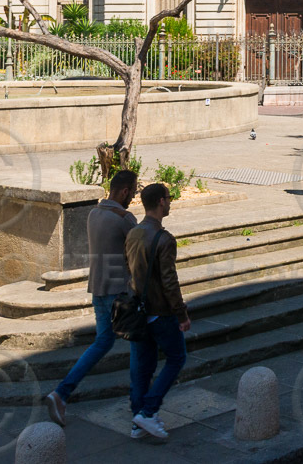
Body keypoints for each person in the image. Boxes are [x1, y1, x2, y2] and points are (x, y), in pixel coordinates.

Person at [44, 169, 140, 427]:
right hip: (120, 292)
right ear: (123, 191)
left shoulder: (94, 213)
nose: (133, 196)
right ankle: (140, 409)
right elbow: (140, 253)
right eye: (133, 191)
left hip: (98, 290)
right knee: (139, 346)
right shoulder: (124, 218)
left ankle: (61, 393)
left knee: (102, 342)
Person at [124, 182, 189, 440]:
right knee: (176, 358)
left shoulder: (133, 234)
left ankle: (137, 420)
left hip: (138, 312)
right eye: (169, 198)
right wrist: (181, 314)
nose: (170, 202)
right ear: (161, 201)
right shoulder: (164, 239)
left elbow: (127, 269)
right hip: (161, 313)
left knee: (143, 368)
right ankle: (148, 412)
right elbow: (169, 283)